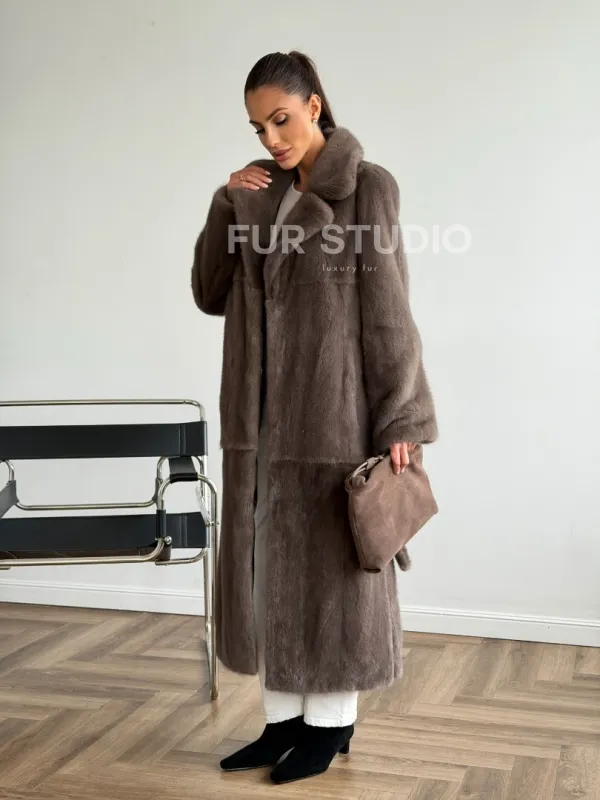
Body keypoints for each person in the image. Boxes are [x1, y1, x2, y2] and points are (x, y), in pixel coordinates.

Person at [191, 50, 438, 784]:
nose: (271, 139)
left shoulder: (366, 189)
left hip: (333, 420)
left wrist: (402, 419)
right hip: (257, 424)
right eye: (258, 127)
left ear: (314, 106)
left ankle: (330, 726)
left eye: (281, 120)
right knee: (268, 574)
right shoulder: (253, 195)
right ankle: (281, 724)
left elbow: (390, 313)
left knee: (331, 579)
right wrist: (222, 203)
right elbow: (209, 292)